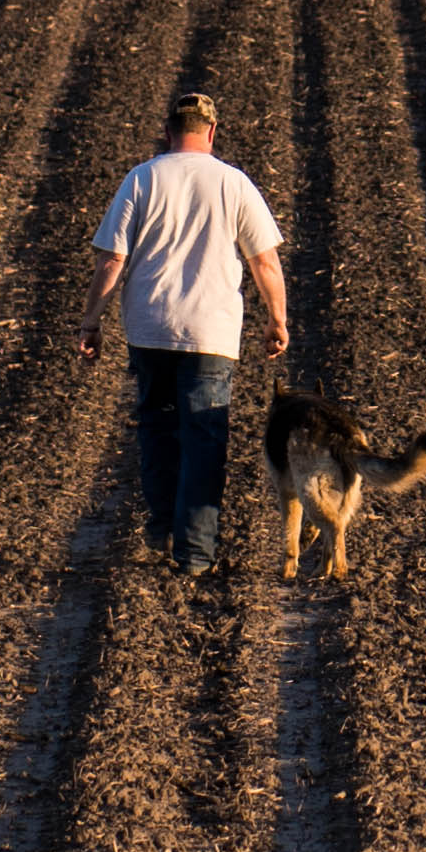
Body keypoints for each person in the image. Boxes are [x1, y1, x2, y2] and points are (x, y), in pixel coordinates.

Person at [84, 82, 289, 568]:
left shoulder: (142, 178)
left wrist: (90, 321)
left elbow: (112, 259)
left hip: (150, 328)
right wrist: (277, 320)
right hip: (210, 334)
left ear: (168, 131)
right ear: (212, 131)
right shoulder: (233, 183)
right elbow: (265, 262)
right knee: (204, 438)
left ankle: (160, 533)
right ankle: (195, 554)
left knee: (157, 430)